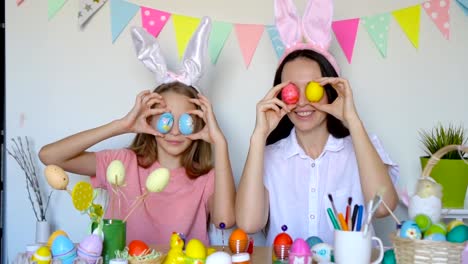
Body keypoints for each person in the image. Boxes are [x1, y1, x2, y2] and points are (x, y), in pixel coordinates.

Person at [39, 17, 236, 245]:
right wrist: (121, 125)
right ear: (149, 122)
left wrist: (220, 143)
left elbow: (226, 220)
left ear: (200, 125)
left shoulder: (206, 179)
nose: (174, 132)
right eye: (164, 120)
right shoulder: (122, 164)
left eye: (186, 122)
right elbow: (49, 156)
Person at [235, 0, 399, 245]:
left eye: (312, 89)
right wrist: (258, 137)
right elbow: (249, 224)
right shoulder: (268, 156)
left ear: (332, 90)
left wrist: (352, 120)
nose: (301, 102)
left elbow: (384, 208)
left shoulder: (361, 147)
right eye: (291, 90)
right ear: (279, 95)